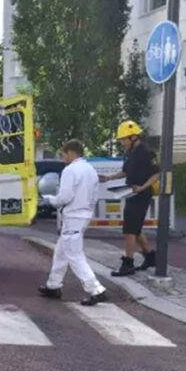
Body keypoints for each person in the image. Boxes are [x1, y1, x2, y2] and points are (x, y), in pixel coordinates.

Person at [38, 140, 108, 306]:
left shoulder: (70, 170)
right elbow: (94, 195)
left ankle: (96, 289)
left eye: (63, 154)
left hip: (73, 216)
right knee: (61, 252)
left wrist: (49, 200)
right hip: (84, 215)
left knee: (74, 254)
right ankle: (53, 285)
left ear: (70, 152)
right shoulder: (90, 170)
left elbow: (64, 197)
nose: (63, 158)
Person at [99, 121, 160, 277]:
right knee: (136, 229)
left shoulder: (146, 152)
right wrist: (109, 178)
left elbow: (157, 174)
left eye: (123, 139)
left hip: (141, 194)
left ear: (133, 137)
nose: (121, 143)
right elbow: (126, 172)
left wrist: (142, 187)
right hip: (132, 193)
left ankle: (128, 263)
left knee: (128, 231)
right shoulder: (131, 153)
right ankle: (151, 257)